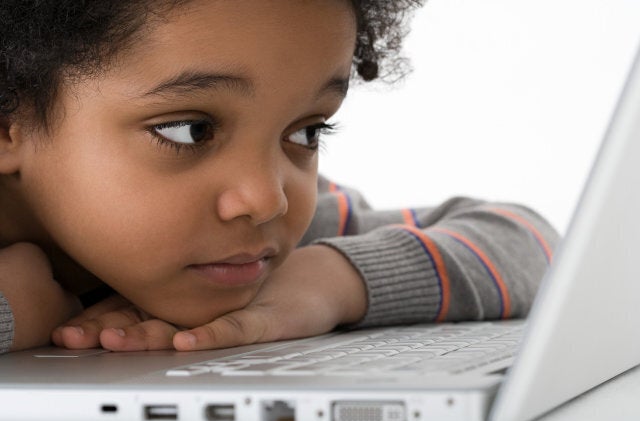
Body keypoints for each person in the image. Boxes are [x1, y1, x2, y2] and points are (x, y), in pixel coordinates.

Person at [0, 0, 558, 354]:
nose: (267, 199)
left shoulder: (275, 245)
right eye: (190, 130)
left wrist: (331, 282)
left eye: (307, 132)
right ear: (9, 124)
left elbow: (533, 241)